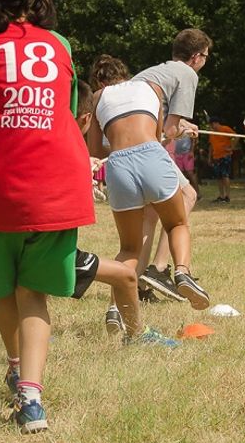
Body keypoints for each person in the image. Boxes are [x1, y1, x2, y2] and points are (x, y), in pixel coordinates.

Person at [0, 0, 95, 434]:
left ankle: (18, 369)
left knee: (3, 289)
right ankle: (31, 397)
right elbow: (68, 107)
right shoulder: (59, 42)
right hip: (59, 181)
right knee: (33, 290)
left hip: (2, 184)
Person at [86, 55, 210, 322]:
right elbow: (157, 138)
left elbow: (95, 151)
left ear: (99, 80)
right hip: (152, 156)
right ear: (126, 74)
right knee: (176, 223)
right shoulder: (152, 88)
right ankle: (182, 273)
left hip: (119, 165)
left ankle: (115, 310)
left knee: (129, 249)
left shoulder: (97, 97)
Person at [129, 29, 210, 301]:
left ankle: (138, 285)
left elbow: (160, 123)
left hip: (123, 146)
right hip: (143, 145)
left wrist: (179, 127)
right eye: (206, 56)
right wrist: (182, 130)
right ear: (196, 56)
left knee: (151, 213)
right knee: (187, 195)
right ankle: (159, 268)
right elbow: (171, 129)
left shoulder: (152, 73)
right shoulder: (187, 74)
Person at [74, 80, 141, 338]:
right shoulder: (68, 145)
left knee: (27, 290)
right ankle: (137, 336)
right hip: (50, 249)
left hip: (11, 239)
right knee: (125, 276)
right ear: (87, 118)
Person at [207, 117, 235, 203]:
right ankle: (221, 195)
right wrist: (209, 157)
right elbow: (211, 146)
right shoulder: (212, 133)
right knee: (218, 177)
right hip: (216, 157)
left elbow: (236, 137)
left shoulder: (225, 129)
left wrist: (231, 148)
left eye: (212, 124)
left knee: (225, 175)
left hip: (225, 156)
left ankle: (227, 196)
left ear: (216, 123)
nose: (211, 126)